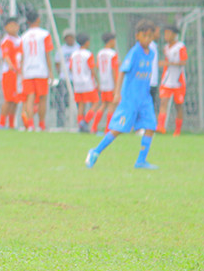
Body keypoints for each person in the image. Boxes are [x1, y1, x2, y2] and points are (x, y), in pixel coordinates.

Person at [85, 19, 159, 170]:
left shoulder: (151, 53)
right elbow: (122, 72)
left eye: (151, 36)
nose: (148, 39)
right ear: (138, 36)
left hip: (144, 98)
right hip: (130, 99)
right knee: (118, 129)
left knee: (151, 126)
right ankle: (95, 151)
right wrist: (117, 93)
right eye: (145, 36)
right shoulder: (134, 52)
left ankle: (141, 161)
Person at [19, 10, 55, 131]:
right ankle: (41, 124)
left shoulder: (23, 36)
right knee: (43, 98)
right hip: (41, 70)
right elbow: (47, 54)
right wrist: (50, 71)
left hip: (28, 70)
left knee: (30, 97)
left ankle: (30, 125)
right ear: (38, 19)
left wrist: (22, 72)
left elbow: (22, 56)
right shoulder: (45, 34)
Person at [156, 25, 187, 136]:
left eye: (168, 33)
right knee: (163, 102)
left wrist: (168, 63)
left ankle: (177, 130)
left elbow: (183, 62)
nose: (166, 36)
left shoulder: (180, 47)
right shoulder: (166, 47)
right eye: (165, 33)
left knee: (178, 105)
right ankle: (160, 127)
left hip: (178, 81)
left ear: (174, 35)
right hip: (167, 80)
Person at [68, 33, 101, 133]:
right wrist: (97, 81)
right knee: (96, 103)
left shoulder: (73, 55)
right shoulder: (88, 54)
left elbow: (70, 69)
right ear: (87, 42)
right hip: (87, 82)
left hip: (77, 83)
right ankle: (85, 122)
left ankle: (80, 126)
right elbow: (92, 69)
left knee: (81, 105)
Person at [0, 17, 24, 129]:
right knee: (8, 99)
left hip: (19, 74)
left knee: (16, 100)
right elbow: (6, 55)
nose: (14, 28)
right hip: (9, 73)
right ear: (6, 28)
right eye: (11, 25)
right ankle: (2, 123)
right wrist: (11, 66)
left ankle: (12, 124)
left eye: (15, 25)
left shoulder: (20, 39)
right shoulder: (6, 40)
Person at [94, 32, 119, 134]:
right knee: (111, 106)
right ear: (111, 41)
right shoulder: (113, 54)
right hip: (111, 83)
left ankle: (94, 127)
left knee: (103, 105)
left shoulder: (100, 53)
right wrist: (117, 86)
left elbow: (98, 67)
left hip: (103, 82)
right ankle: (107, 129)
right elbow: (114, 70)